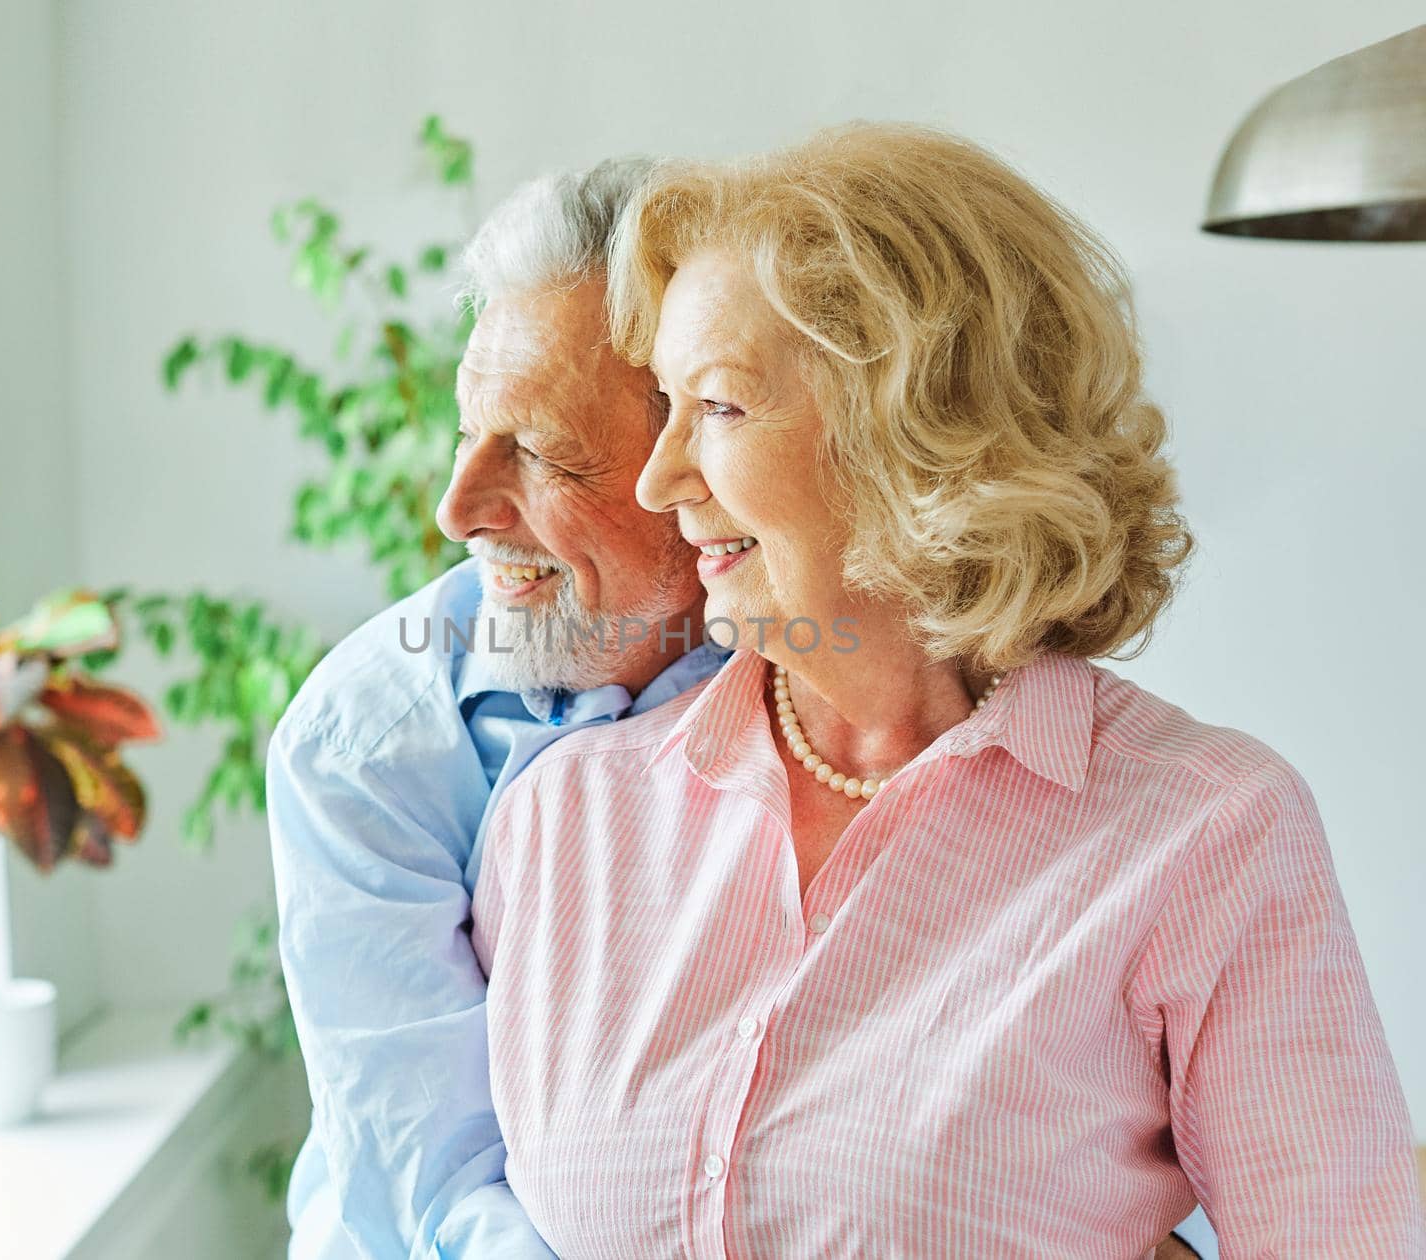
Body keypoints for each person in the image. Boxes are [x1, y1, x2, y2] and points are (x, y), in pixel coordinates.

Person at [468, 123, 1424, 1257]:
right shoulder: (565, 821)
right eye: (663, 407)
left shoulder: (1207, 833)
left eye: (718, 408)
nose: (660, 475)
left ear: (917, 429)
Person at [267, 160, 720, 1259]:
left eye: (541, 454)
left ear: (708, 460)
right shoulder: (367, 742)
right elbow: (435, 1186)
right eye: (471, 432)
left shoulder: (823, 678)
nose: (455, 508)